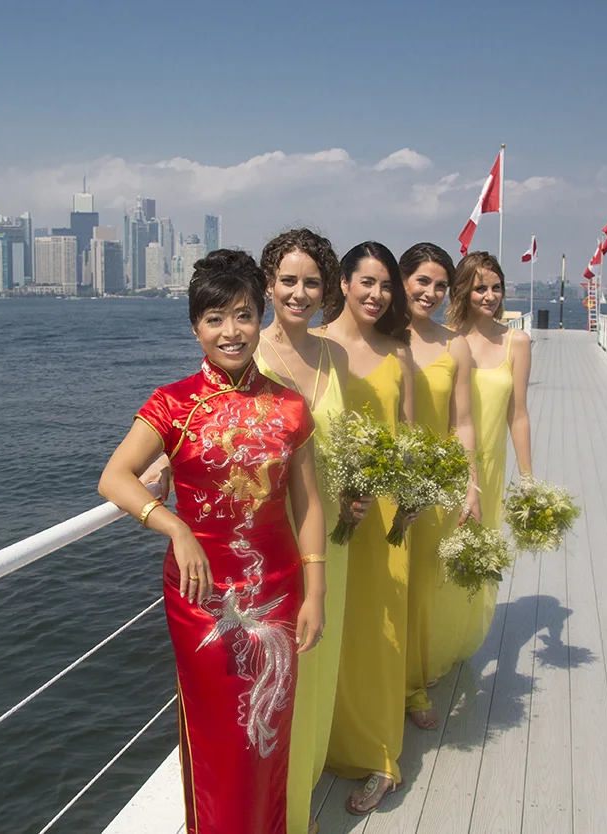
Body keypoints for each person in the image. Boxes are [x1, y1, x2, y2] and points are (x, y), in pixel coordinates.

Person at [98, 249, 327, 834]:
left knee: (267, 731)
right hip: (201, 595)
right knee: (217, 733)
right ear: (195, 327)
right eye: (215, 318)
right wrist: (173, 524)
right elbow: (114, 477)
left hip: (277, 587)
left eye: (244, 315)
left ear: (260, 318)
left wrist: (317, 592)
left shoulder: (289, 406)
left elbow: (308, 505)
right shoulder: (173, 402)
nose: (231, 331)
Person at [255, 228, 358, 834]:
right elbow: (208, 420)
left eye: (311, 282)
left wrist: (358, 492)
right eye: (288, 280)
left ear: (327, 290)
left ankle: (299, 800)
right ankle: (279, 813)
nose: (299, 293)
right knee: (277, 677)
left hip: (328, 537)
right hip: (270, 540)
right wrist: (164, 464)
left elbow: (344, 441)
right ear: (268, 285)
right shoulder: (249, 352)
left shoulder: (334, 355)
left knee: (316, 668)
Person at [320, 241, 415, 815]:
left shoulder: (398, 352)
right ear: (344, 283)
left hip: (383, 515)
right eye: (367, 282)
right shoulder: (315, 344)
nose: (377, 295)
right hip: (325, 510)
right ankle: (326, 741)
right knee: (332, 626)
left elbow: (407, 435)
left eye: (386, 285)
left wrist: (414, 496)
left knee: (379, 633)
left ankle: (381, 756)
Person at [398, 242, 480, 731]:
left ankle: (411, 684)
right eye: (422, 281)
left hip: (433, 485)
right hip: (378, 480)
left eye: (440, 286)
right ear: (402, 280)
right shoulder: (377, 336)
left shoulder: (455, 345)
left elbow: (462, 422)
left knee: (420, 588)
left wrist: (471, 486)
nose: (430, 292)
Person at [444, 251, 533, 658]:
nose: (490, 296)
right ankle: (433, 643)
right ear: (464, 289)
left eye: (496, 288)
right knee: (441, 556)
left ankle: (460, 644)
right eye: (480, 287)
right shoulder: (445, 338)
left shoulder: (516, 341)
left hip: (491, 470)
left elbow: (519, 414)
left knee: (476, 560)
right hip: (447, 466)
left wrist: (527, 478)